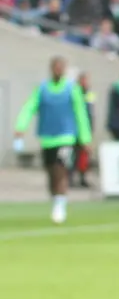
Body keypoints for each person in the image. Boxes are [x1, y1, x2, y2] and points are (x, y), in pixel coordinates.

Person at [12, 57, 93, 225]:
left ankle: (60, 204)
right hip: (47, 138)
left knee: (60, 170)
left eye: (61, 68)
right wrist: (20, 127)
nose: (58, 70)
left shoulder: (72, 89)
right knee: (50, 173)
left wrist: (85, 139)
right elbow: (29, 107)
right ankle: (56, 198)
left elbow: (80, 114)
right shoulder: (42, 89)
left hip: (66, 137)